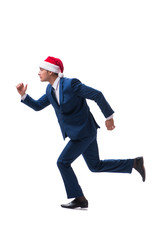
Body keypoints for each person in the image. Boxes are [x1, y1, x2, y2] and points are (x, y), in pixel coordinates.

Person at [16, 56, 146, 209]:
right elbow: (38, 106)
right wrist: (23, 95)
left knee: (62, 162)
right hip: (81, 133)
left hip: (83, 132)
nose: (38, 72)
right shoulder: (50, 90)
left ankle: (80, 199)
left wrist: (109, 117)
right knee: (95, 166)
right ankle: (134, 163)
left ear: (51, 72)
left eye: (41, 69)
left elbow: (97, 95)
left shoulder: (71, 84)